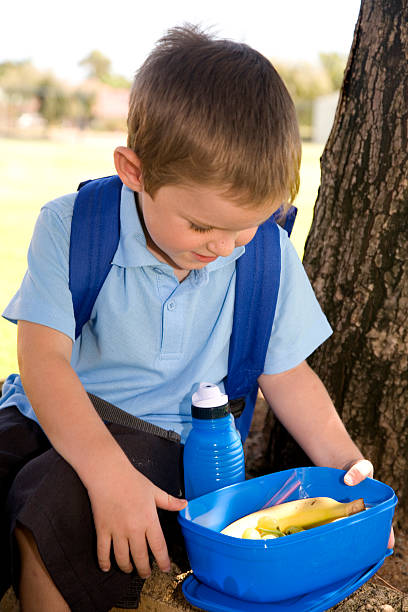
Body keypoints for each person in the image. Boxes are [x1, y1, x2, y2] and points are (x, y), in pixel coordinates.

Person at [0, 24, 392, 612]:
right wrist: (107, 472)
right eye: (203, 227)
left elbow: (287, 376)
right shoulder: (71, 226)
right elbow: (42, 362)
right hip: (48, 409)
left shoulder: (265, 257)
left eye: (247, 226)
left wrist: (345, 471)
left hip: (167, 439)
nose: (224, 247)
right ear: (134, 172)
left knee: (55, 508)